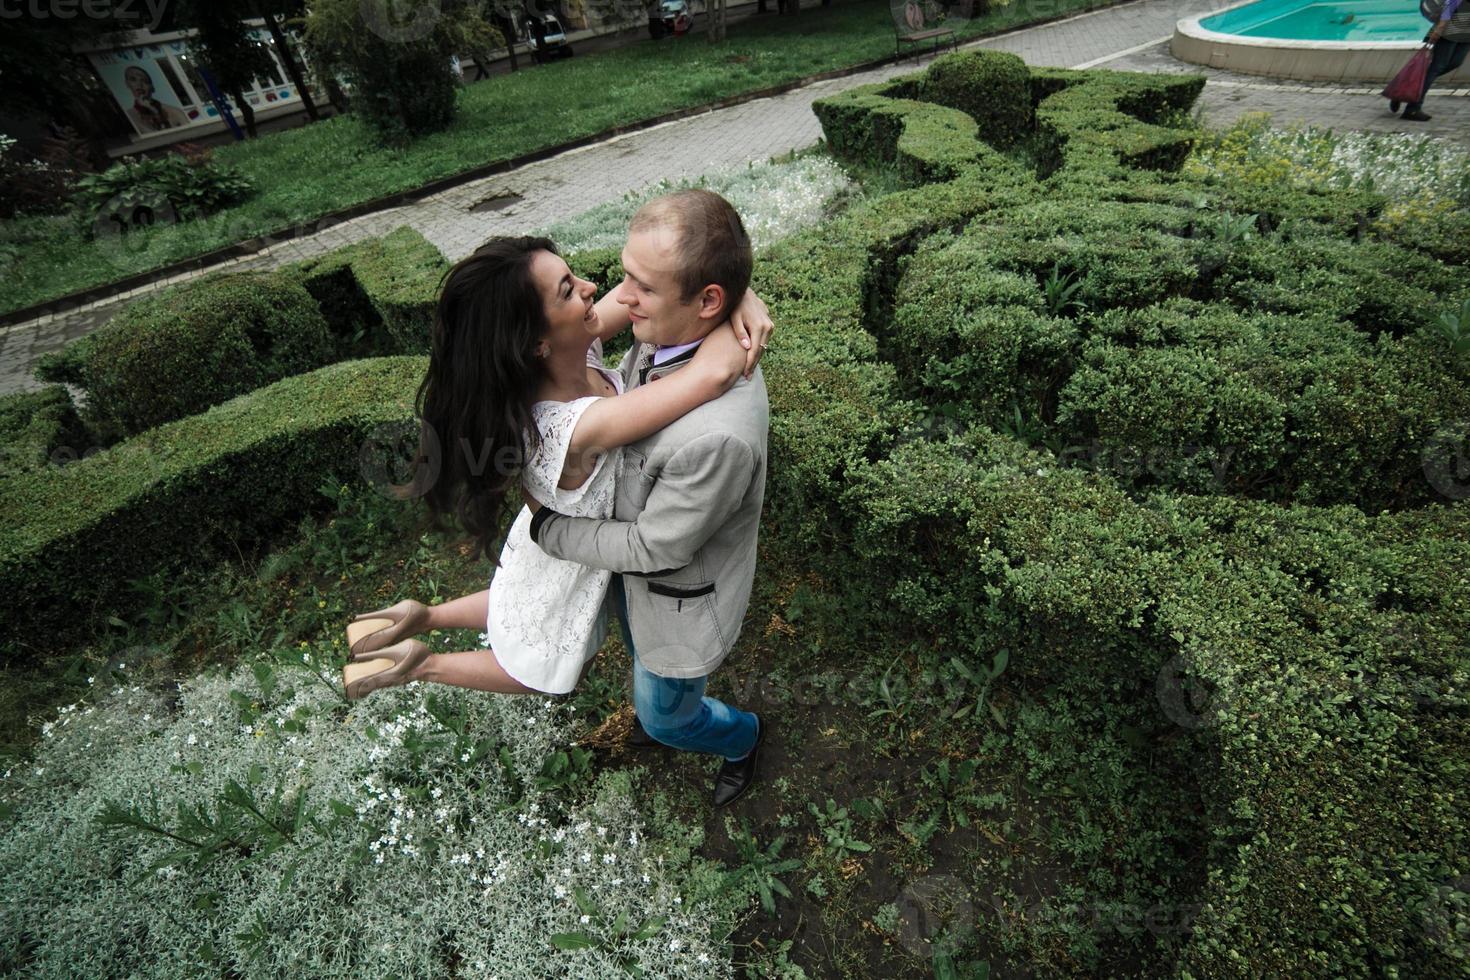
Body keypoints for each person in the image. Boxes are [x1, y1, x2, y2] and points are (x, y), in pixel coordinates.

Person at [342, 232, 772, 704]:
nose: (592, 288)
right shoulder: (569, 428)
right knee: (541, 661)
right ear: (537, 343)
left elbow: (678, 293)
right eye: (568, 289)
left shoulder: (574, 352)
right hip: (573, 555)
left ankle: (422, 615)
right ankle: (422, 664)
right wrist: (735, 306)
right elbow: (710, 375)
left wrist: (735, 291)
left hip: (551, 534)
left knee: (518, 603)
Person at [523, 189, 770, 808]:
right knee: (646, 666)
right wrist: (739, 296)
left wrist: (549, 531)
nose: (617, 296)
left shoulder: (717, 436)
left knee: (666, 716)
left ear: (707, 300)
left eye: (642, 286)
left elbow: (655, 545)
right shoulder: (668, 324)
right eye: (624, 274)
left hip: (680, 603)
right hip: (641, 589)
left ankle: (742, 738)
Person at [1396, 0, 1470, 121]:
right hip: (1452, 25)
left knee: (1455, 62)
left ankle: (1405, 87)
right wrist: (1440, 27)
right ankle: (1412, 108)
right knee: (1437, 66)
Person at [122, 66, 190, 133]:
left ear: (151, 87)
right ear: (127, 84)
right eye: (133, 79)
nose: (139, 85)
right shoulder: (130, 116)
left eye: (145, 81)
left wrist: (153, 110)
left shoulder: (173, 111)